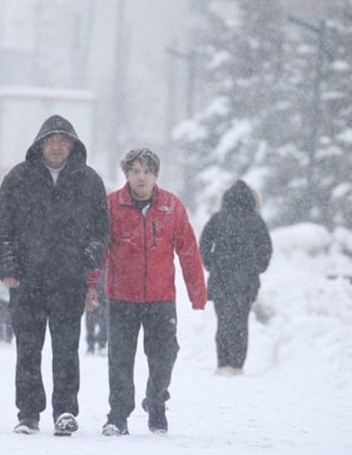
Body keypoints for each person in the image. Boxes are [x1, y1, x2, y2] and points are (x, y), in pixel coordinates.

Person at [0, 114, 109, 437]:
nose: (57, 146)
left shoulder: (88, 181)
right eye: (51, 140)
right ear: (40, 144)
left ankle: (66, 410)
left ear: (73, 145)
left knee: (67, 349)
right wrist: (9, 269)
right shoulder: (18, 179)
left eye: (63, 140)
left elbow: (101, 231)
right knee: (28, 349)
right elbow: (2, 229)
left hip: (68, 282)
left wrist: (85, 263)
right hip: (26, 282)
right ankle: (28, 413)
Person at [86, 148, 206, 436]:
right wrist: (90, 284)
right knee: (120, 358)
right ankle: (118, 415)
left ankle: (156, 401)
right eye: (136, 171)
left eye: (147, 172)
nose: (142, 178)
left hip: (161, 297)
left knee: (165, 354)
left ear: (156, 175)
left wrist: (197, 292)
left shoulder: (171, 206)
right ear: (126, 174)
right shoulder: (112, 205)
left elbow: (188, 250)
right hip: (121, 296)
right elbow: (99, 249)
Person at [199, 180, 273, 376]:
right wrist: (257, 268)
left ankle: (223, 364)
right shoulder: (256, 221)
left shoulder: (218, 218)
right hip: (246, 281)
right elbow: (266, 249)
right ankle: (237, 364)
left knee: (223, 321)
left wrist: (211, 264)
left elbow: (204, 243)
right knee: (240, 322)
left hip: (220, 278)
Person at [84, 268, 107, 355]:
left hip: (102, 292)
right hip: (96, 290)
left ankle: (100, 344)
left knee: (102, 320)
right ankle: (92, 345)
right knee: (92, 320)